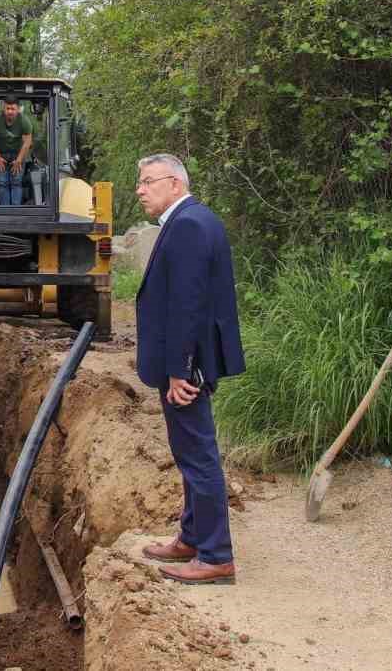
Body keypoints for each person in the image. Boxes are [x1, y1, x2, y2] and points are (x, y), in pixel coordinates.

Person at [132, 153, 245, 585]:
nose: (140, 190)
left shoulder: (190, 226)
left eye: (147, 181)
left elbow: (188, 304)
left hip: (187, 367)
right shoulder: (190, 221)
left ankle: (216, 554)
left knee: (198, 456)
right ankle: (192, 536)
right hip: (187, 362)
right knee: (188, 450)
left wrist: (181, 369)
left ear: (175, 184)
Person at [0, 97, 33, 205]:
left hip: (18, 154)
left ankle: (16, 210)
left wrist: (19, 160)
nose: (10, 111)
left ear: (18, 109)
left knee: (16, 182)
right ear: (3, 108)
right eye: (7, 108)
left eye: (13, 109)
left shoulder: (24, 121)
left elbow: (27, 143)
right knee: (2, 183)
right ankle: (4, 209)